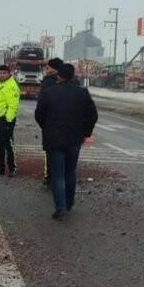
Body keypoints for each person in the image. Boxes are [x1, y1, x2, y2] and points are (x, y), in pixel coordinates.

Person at [35, 62, 97, 218]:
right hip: (75, 138)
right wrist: (85, 132)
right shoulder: (82, 92)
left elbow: (39, 115)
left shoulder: (48, 92)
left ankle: (60, 206)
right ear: (73, 75)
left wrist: (47, 128)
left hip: (53, 139)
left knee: (57, 174)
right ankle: (69, 202)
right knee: (70, 171)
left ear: (59, 75)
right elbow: (93, 115)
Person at [41, 58, 64, 186]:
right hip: (68, 126)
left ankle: (49, 177)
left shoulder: (48, 82)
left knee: (50, 151)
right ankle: (62, 176)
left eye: (48, 68)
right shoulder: (73, 82)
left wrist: (44, 123)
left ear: (54, 69)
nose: (46, 70)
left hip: (50, 124)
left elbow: (41, 107)